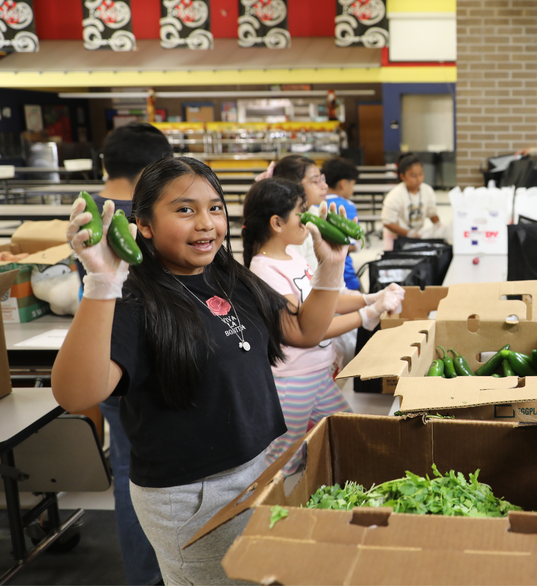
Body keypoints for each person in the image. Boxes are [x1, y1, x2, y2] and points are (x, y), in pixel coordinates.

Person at [53, 156, 350, 585]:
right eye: (185, 209)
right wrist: (101, 284)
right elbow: (75, 395)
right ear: (145, 225)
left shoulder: (230, 277)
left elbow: (302, 329)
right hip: (193, 494)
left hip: (256, 468)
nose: (206, 223)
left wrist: (332, 266)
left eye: (215, 207)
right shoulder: (135, 300)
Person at [242, 178, 402, 475]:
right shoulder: (265, 271)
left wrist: (368, 297)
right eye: (302, 212)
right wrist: (367, 315)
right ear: (277, 222)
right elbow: (306, 331)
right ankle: (274, 509)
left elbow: (324, 301)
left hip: (318, 373)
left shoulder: (292, 256)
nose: (310, 218)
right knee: (283, 460)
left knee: (347, 431)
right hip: (294, 379)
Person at [79, 122, 171, 586]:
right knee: (145, 476)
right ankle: (153, 576)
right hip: (138, 360)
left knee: (131, 469)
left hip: (108, 356)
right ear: (153, 169)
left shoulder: (86, 209)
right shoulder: (132, 217)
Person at [269, 155, 330, 269]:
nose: (325, 186)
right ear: (293, 185)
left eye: (322, 179)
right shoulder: (291, 226)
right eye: (316, 181)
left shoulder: (316, 212)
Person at [381, 153, 441, 251]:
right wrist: (409, 233)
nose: (418, 178)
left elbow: (432, 212)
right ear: (402, 176)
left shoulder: (427, 190)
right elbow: (387, 222)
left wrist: (439, 225)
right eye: (413, 175)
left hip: (415, 238)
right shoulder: (395, 195)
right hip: (395, 239)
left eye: (421, 174)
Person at [321, 157, 362, 293]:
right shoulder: (347, 206)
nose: (353, 190)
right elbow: (353, 243)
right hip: (344, 274)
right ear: (343, 184)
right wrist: (358, 245)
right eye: (353, 185)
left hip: (318, 275)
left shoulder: (314, 203)